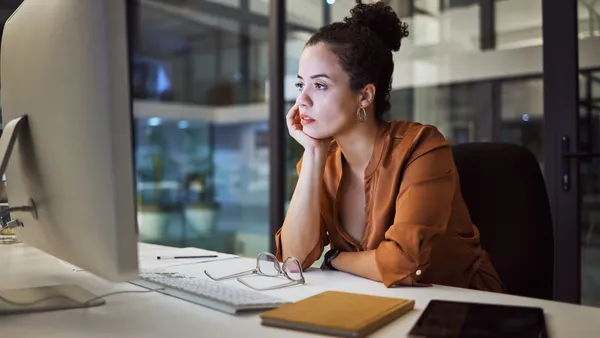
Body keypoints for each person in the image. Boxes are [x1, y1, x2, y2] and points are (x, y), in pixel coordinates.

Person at [274, 0, 506, 293]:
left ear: (365, 96)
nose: (302, 101)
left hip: (460, 309)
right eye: (300, 85)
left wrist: (336, 258)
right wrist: (314, 153)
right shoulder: (322, 161)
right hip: (375, 303)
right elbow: (294, 259)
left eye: (319, 85)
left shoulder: (421, 147)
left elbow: (402, 264)